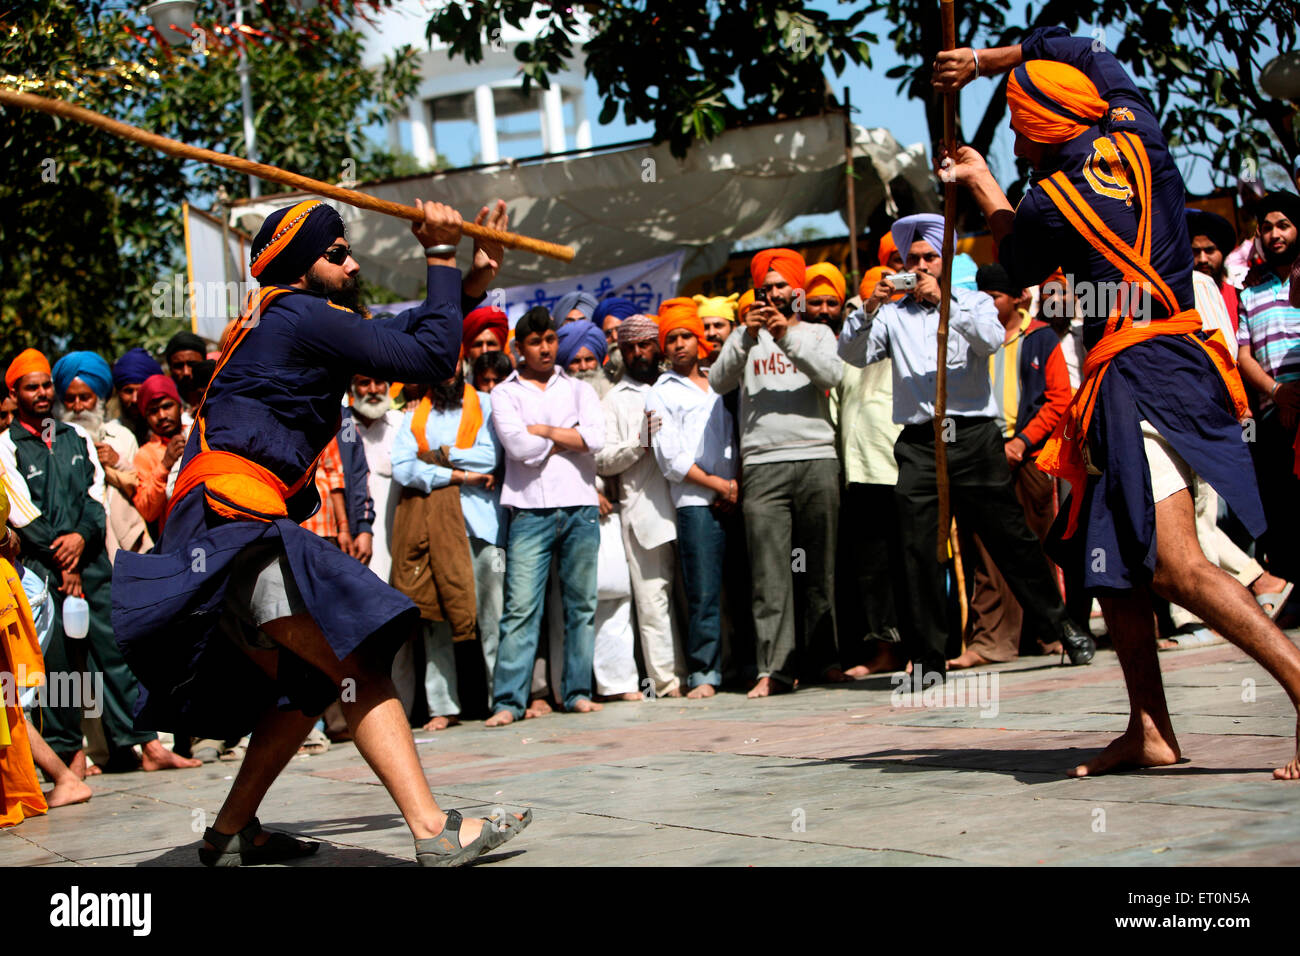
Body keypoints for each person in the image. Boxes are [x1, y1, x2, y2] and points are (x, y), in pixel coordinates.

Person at [112, 196, 534, 864]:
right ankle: (434, 831)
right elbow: (427, 358)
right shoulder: (299, 314)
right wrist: (440, 254)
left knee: (311, 683)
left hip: (215, 526)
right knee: (355, 662)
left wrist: (468, 280)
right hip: (233, 522)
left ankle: (228, 834)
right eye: (338, 254)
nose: (354, 263)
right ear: (296, 266)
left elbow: (403, 336)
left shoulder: (286, 318)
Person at [936, 28, 1300, 779]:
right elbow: (1068, 44)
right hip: (1163, 360)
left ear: (1040, 128)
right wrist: (982, 65)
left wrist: (978, 183)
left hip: (1139, 373)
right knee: (1120, 566)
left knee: (1173, 563)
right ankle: (1149, 729)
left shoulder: (1051, 200)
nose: (1011, 138)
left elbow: (1016, 260)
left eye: (1014, 125)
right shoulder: (1141, 133)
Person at [839, 215, 1094, 680]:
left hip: (974, 436)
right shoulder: (892, 314)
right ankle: (928, 657)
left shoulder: (973, 302)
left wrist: (943, 306)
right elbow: (852, 354)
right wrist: (868, 309)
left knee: (1009, 539)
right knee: (918, 549)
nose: (920, 266)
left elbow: (992, 339)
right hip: (919, 440)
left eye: (929, 258)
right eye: (912, 259)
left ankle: (1064, 626)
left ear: (947, 260)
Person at [1, 349, 198, 777]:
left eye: (44, 385)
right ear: (14, 394)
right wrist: (61, 554)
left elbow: (96, 502)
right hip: (44, 570)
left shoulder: (75, 438)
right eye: (31, 387)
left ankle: (146, 744)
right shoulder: (6, 447)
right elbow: (19, 512)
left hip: (89, 561)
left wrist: (79, 540)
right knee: (60, 667)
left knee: (115, 653)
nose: (41, 394)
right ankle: (69, 757)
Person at [709, 248, 847, 697]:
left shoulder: (819, 333)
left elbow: (833, 375)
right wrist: (747, 338)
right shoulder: (743, 338)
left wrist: (786, 336)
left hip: (816, 457)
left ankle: (823, 660)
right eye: (764, 287)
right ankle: (775, 669)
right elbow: (717, 381)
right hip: (763, 465)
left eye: (780, 285)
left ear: (797, 290)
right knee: (770, 575)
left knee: (819, 569)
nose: (772, 293)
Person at [949, 263, 1073, 669]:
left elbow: (1059, 398)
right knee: (983, 550)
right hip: (980, 454)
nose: (986, 302)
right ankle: (990, 642)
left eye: (995, 297)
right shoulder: (969, 337)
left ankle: (1050, 634)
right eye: (980, 296)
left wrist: (1021, 441)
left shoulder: (1040, 339)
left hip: (1030, 457)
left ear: (1018, 298)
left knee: (1035, 546)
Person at [485, 307, 605, 726]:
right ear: (519, 348)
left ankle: (577, 692)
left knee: (581, 607)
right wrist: (567, 436)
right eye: (535, 342)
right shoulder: (504, 393)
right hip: (528, 512)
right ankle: (508, 702)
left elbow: (597, 439)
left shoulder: (579, 389)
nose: (545, 348)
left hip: (579, 506)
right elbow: (519, 449)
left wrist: (545, 432)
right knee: (520, 609)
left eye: (550, 340)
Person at [391, 366, 505, 730]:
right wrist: (459, 475)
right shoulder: (415, 413)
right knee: (435, 615)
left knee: (492, 615)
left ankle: (499, 698)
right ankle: (443, 706)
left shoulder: (486, 404)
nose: (446, 372)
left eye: (451, 363)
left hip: (481, 525)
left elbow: (490, 457)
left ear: (462, 366)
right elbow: (402, 467)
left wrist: (435, 456)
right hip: (431, 526)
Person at [648, 303, 737, 698]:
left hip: (735, 495)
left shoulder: (723, 381)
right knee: (702, 592)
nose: (680, 344)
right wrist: (717, 484)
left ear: (700, 340)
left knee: (742, 587)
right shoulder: (657, 393)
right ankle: (704, 673)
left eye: (686, 336)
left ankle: (746, 665)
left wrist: (734, 486)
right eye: (672, 338)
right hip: (695, 501)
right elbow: (668, 457)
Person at [595, 311, 683, 698]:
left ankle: (711, 670)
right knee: (652, 600)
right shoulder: (614, 400)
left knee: (698, 596)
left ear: (657, 345)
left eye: (645, 344)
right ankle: (666, 682)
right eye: (629, 347)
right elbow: (601, 459)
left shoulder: (677, 386)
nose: (637, 352)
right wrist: (639, 443)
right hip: (643, 512)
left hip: (690, 505)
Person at [1236, 192, 1300, 589]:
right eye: (1266, 227)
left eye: (1284, 225)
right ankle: (1292, 590)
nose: (1274, 234)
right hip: (1272, 416)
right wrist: (1277, 393)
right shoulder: (1249, 292)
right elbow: (1243, 355)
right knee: (1282, 508)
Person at [53, 351, 151, 562]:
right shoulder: (54, 443)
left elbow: (142, 489)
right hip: (78, 549)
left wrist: (117, 462)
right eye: (70, 399)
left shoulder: (122, 437)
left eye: (85, 398)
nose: (78, 407)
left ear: (99, 399)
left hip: (126, 548)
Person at [131, 374, 188, 527]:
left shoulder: (199, 433)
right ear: (146, 417)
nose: (162, 416)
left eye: (167, 406)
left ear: (180, 407)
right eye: (154, 411)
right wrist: (164, 466)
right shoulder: (145, 455)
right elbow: (147, 511)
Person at [1186, 209, 1240, 334]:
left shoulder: (1238, 296)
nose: (1202, 259)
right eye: (1196, 251)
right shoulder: (1183, 299)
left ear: (1223, 253)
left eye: (1209, 250)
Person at [111, 348, 166, 447]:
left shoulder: (173, 431)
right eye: (128, 391)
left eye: (141, 391)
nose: (135, 399)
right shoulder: (109, 435)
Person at [592, 296, 640, 385]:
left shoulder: (650, 369)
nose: (615, 337)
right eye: (607, 333)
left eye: (620, 330)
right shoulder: (599, 374)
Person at [163, 331, 210, 410]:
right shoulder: (164, 408)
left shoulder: (221, 396)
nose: (186, 372)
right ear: (170, 368)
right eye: (178, 366)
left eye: (192, 364)